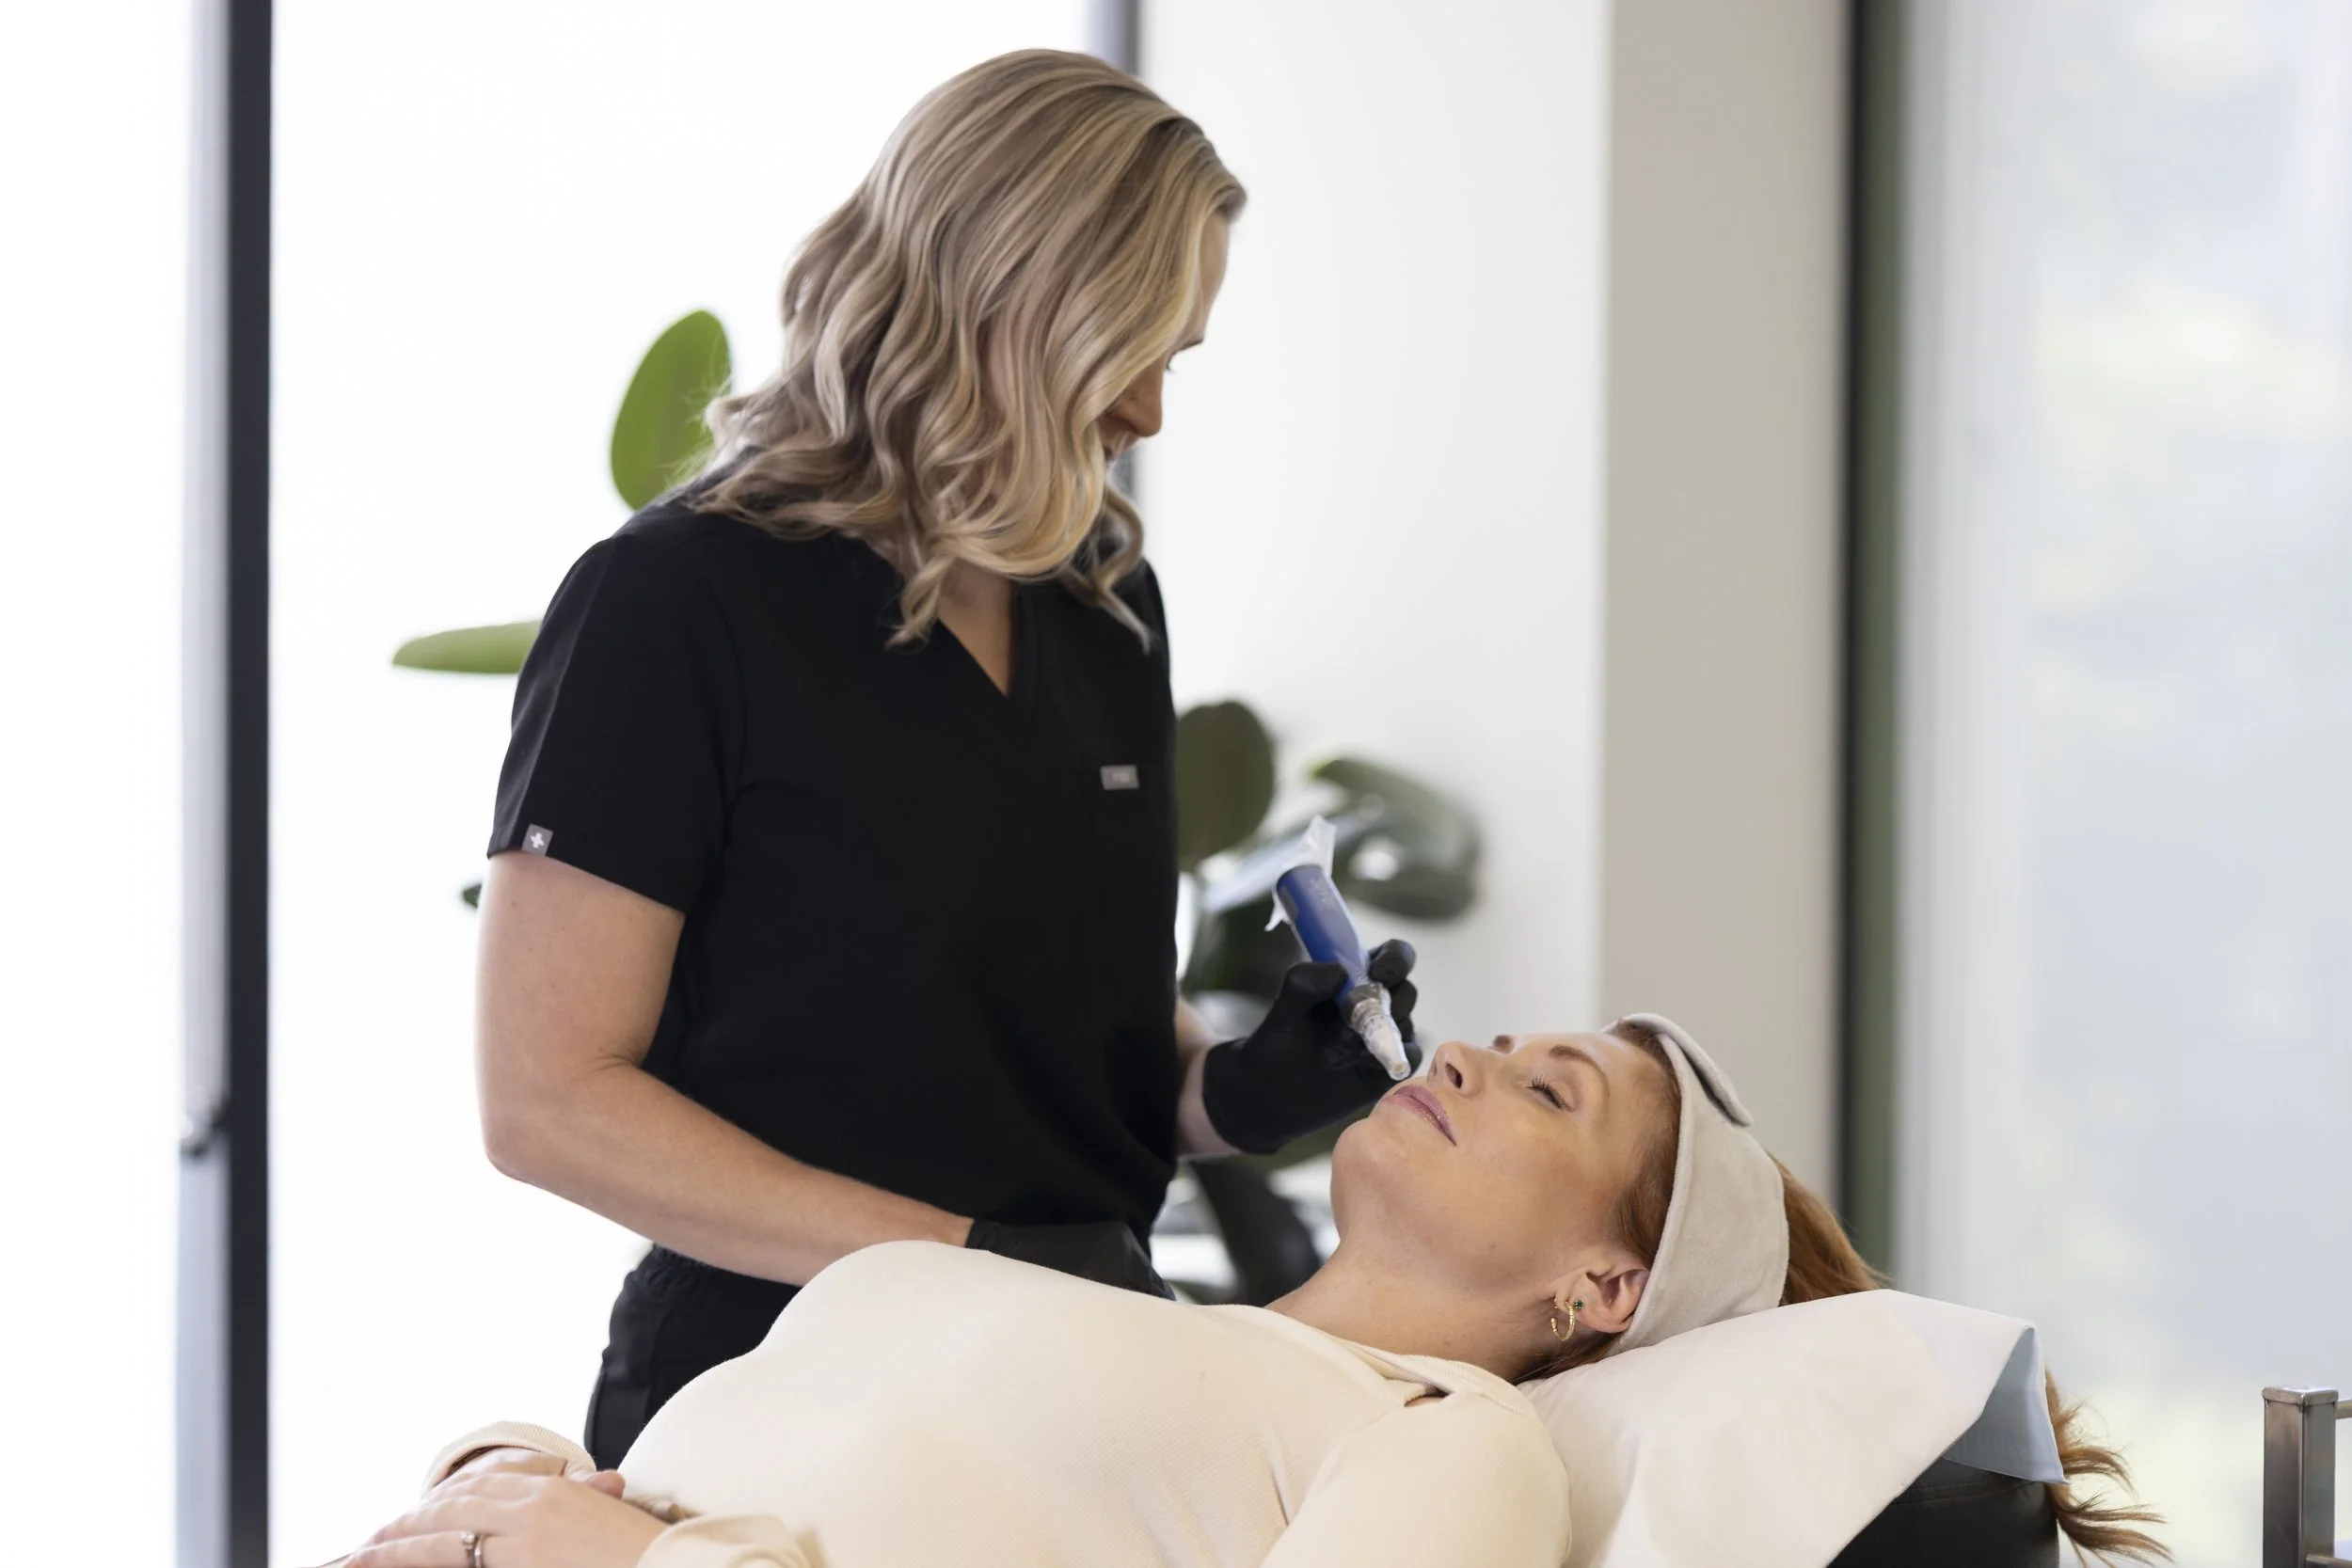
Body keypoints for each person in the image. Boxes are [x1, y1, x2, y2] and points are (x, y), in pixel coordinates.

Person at [474, 46, 1421, 1468]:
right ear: (1008, 304)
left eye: (1176, 358)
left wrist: (1241, 1088)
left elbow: (1077, 1029)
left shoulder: (1104, 595)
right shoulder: (676, 600)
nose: (1152, 411)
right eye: (1137, 347)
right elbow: (546, 1102)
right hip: (773, 1404)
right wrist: (962, 1257)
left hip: (1077, 1401)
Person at [341, 1018, 2165, 1568]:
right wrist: (502, 1470)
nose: (1467, 1048)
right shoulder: (1116, 1304)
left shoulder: (1440, 1440)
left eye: (1549, 1091)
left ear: (1604, 1283)